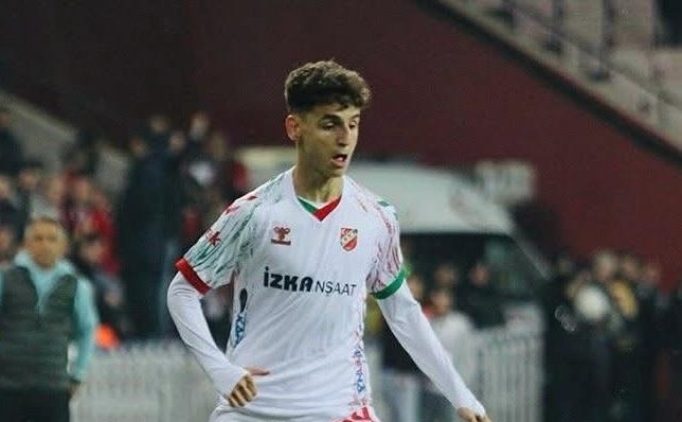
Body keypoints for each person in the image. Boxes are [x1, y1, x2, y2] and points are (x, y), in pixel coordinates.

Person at [167, 59, 491, 422]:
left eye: (353, 124)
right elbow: (182, 291)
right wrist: (220, 370)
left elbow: (402, 312)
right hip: (255, 409)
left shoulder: (376, 217)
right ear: (295, 127)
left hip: (340, 409)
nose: (345, 138)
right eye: (329, 124)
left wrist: (460, 394)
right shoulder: (255, 213)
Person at [0, 216, 98, 422]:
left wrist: (78, 374)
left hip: (53, 385)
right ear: (27, 244)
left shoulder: (77, 285)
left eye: (52, 239)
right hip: (8, 386)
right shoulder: (5, 279)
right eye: (38, 238)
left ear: (63, 245)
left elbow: (87, 330)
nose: (45, 244)